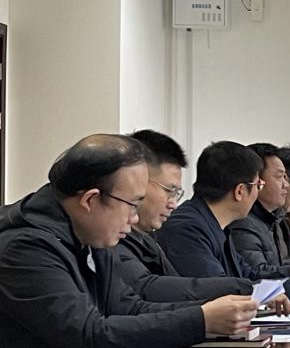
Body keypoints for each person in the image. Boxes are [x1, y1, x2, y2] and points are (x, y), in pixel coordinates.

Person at [0, 135, 258, 348]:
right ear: (90, 200)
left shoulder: (88, 234)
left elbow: (130, 308)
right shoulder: (25, 247)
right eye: (132, 205)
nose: (134, 219)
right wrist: (201, 320)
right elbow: (88, 335)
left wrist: (212, 310)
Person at [114, 130, 277, 305]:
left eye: (176, 193)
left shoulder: (148, 239)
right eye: (169, 190)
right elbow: (148, 290)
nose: (173, 204)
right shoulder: (184, 227)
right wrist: (249, 291)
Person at [158, 141, 290, 302]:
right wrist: (289, 288)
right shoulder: (187, 227)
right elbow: (217, 289)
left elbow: (247, 274)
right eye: (258, 186)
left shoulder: (215, 224)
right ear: (240, 191)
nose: (257, 194)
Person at [228, 144, 290, 302]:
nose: (285, 185)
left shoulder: (272, 220)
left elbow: (269, 268)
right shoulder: (243, 223)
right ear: (257, 181)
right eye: (280, 177)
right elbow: (254, 274)